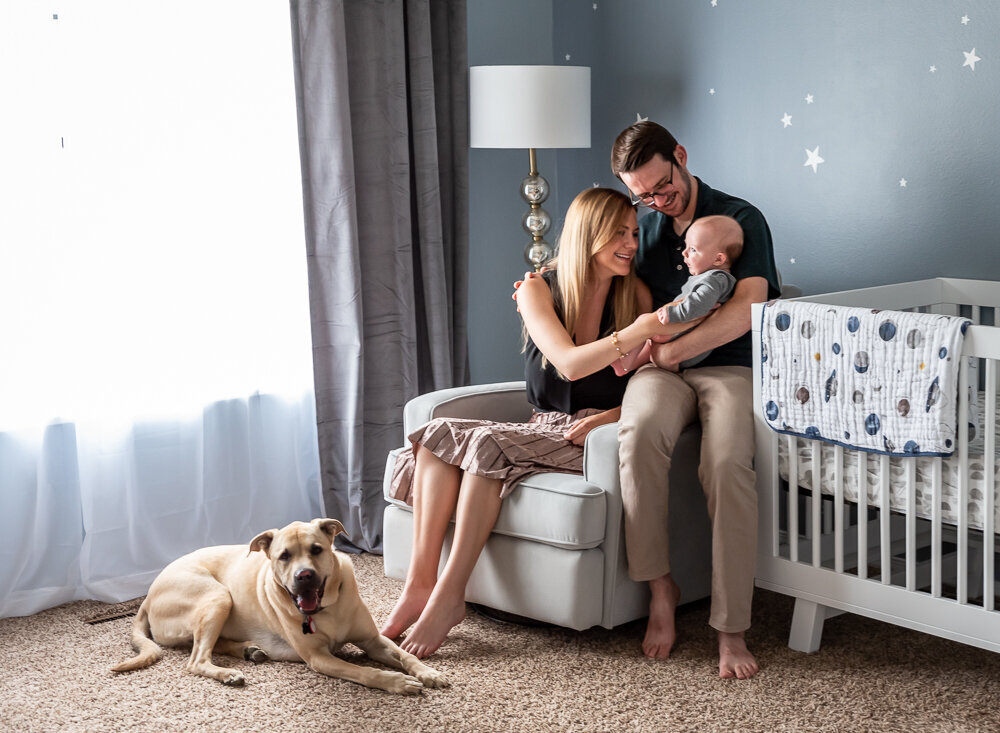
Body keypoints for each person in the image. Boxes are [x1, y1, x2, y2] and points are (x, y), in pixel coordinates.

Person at [380, 187, 694, 659]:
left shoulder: (637, 295)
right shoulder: (536, 288)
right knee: (435, 435)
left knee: (485, 445)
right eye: (618, 234)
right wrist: (643, 327)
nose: (631, 243)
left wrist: (610, 417)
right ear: (587, 235)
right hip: (538, 425)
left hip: (588, 434)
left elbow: (650, 387)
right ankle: (420, 587)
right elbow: (568, 363)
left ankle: (448, 596)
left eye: (633, 232)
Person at [611, 121, 780, 680]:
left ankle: (731, 628)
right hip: (662, 372)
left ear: (680, 156)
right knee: (636, 439)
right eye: (644, 196)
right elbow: (600, 262)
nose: (657, 202)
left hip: (729, 365)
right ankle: (662, 589)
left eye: (663, 187)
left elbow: (747, 308)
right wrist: (540, 280)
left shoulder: (738, 218)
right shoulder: (648, 226)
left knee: (729, 461)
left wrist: (666, 354)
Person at [613, 214, 743, 374]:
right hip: (683, 332)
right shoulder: (711, 278)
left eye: (693, 249)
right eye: (686, 246)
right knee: (649, 337)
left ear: (718, 259)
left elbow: (700, 303)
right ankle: (625, 365)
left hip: (686, 340)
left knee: (644, 322)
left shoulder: (715, 280)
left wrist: (673, 313)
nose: (685, 253)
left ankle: (623, 358)